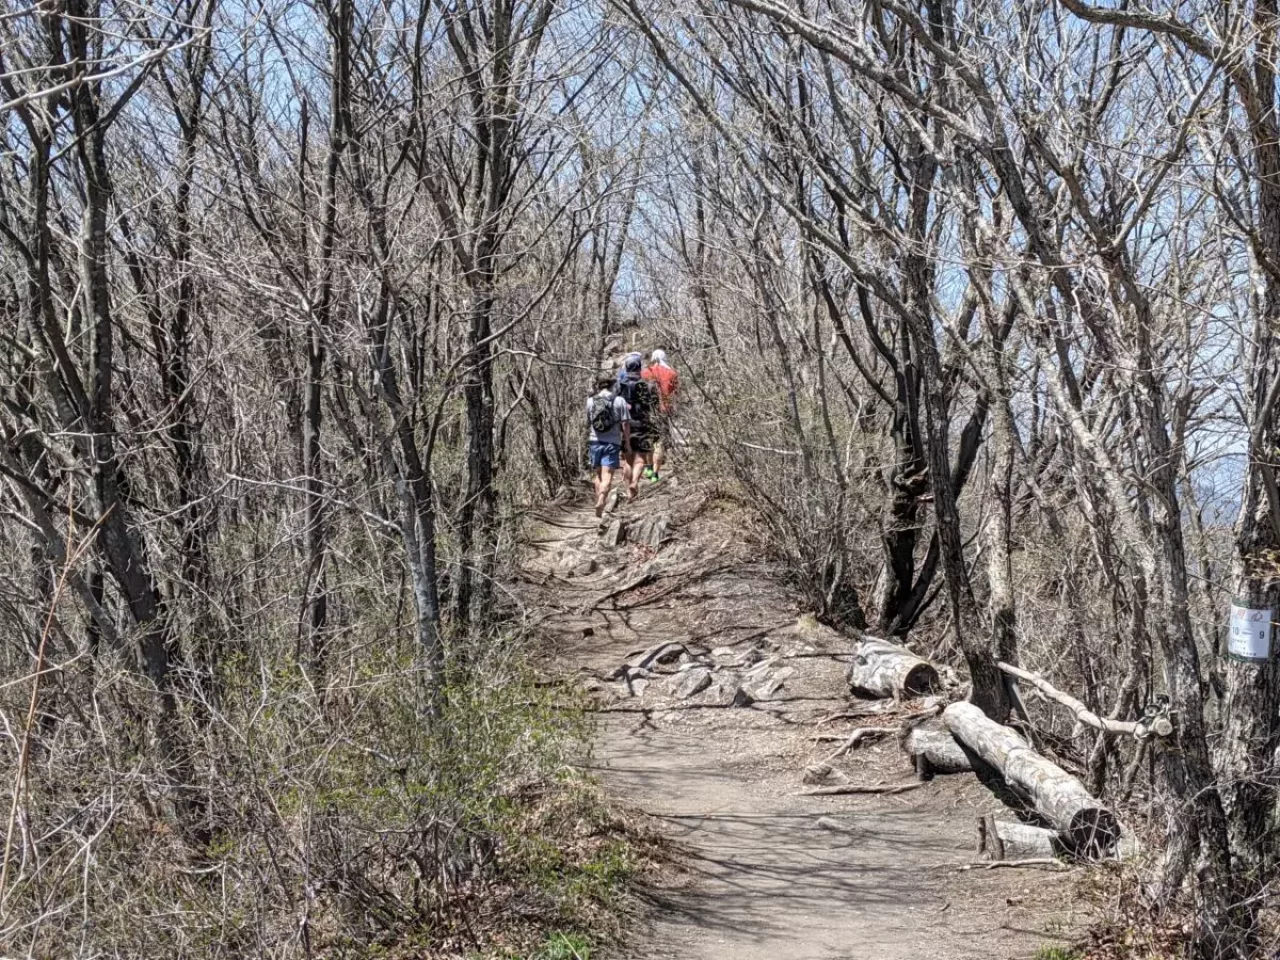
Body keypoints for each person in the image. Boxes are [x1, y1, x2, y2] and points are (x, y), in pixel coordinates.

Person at [587, 374, 630, 517]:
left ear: (598, 387)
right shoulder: (619, 400)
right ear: (612, 386)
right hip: (612, 442)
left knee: (598, 475)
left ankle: (598, 498)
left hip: (594, 441)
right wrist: (627, 442)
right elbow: (625, 424)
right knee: (607, 476)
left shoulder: (590, 401)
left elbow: (589, 422)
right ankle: (602, 499)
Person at [616, 354, 658, 496]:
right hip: (642, 423)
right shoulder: (647, 385)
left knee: (628, 461)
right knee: (640, 459)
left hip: (624, 425)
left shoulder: (619, 386)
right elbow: (654, 405)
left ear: (627, 367)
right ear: (639, 367)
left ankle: (629, 490)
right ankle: (634, 482)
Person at [642, 348, 679, 479]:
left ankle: (649, 468)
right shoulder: (672, 373)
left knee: (649, 439)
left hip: (648, 411)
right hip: (664, 411)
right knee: (660, 442)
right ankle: (655, 474)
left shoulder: (646, 373)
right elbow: (675, 394)